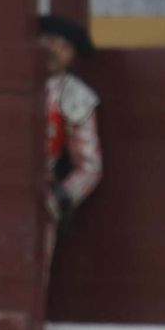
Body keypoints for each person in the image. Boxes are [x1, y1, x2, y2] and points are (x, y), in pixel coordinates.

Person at [38, 15, 103, 276]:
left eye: (64, 47)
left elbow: (90, 166)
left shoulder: (74, 95)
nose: (54, 50)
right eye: (49, 40)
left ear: (73, 58)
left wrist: (57, 200)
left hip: (37, 197)